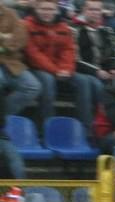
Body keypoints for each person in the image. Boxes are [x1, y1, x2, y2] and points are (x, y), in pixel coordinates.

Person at [24, 0, 103, 131]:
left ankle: (87, 130)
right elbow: (33, 54)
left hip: (61, 69)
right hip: (35, 68)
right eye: (43, 9)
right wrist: (56, 71)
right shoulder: (27, 26)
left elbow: (69, 50)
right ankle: (46, 128)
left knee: (83, 81)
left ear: (56, 10)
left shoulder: (63, 27)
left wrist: (66, 69)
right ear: (36, 10)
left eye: (50, 9)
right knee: (48, 81)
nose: (47, 13)